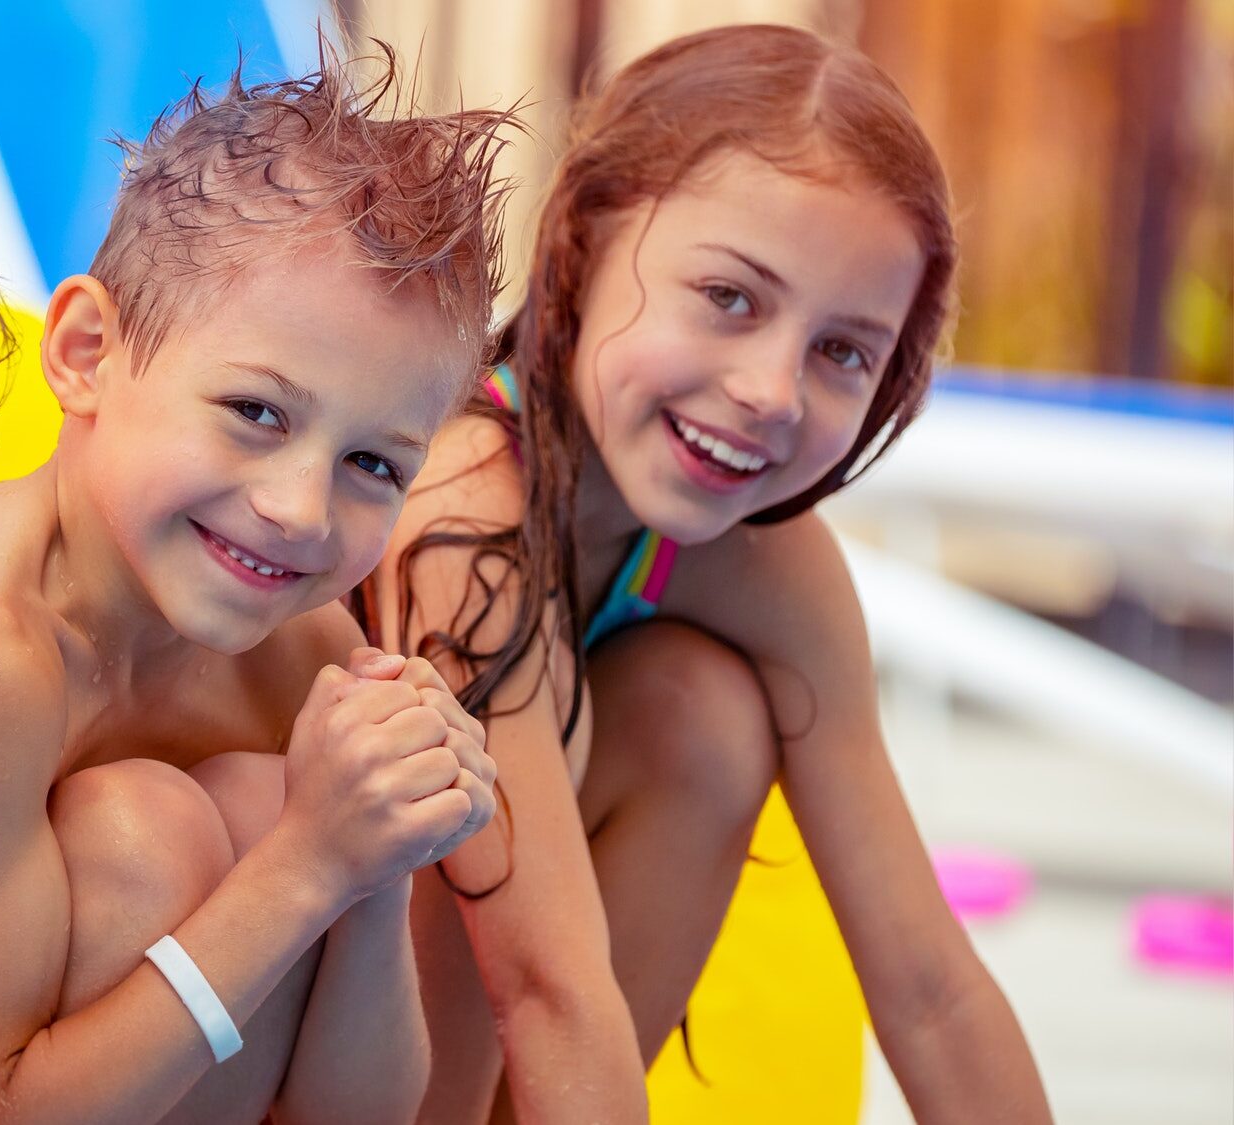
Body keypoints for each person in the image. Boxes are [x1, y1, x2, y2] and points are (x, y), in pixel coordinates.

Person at [0, 47, 513, 1124]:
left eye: (373, 465)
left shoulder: (306, 663)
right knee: (145, 832)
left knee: (255, 802)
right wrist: (307, 870)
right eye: (255, 413)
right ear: (85, 351)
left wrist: (368, 864)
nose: (300, 510)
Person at [363, 24, 1052, 1124]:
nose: (771, 391)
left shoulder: (761, 566)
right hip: (309, 1054)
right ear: (582, 244)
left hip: (533, 1035)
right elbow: (543, 989)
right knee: (459, 787)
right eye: (728, 297)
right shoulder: (460, 507)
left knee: (703, 714)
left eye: (842, 351)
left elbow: (928, 991)